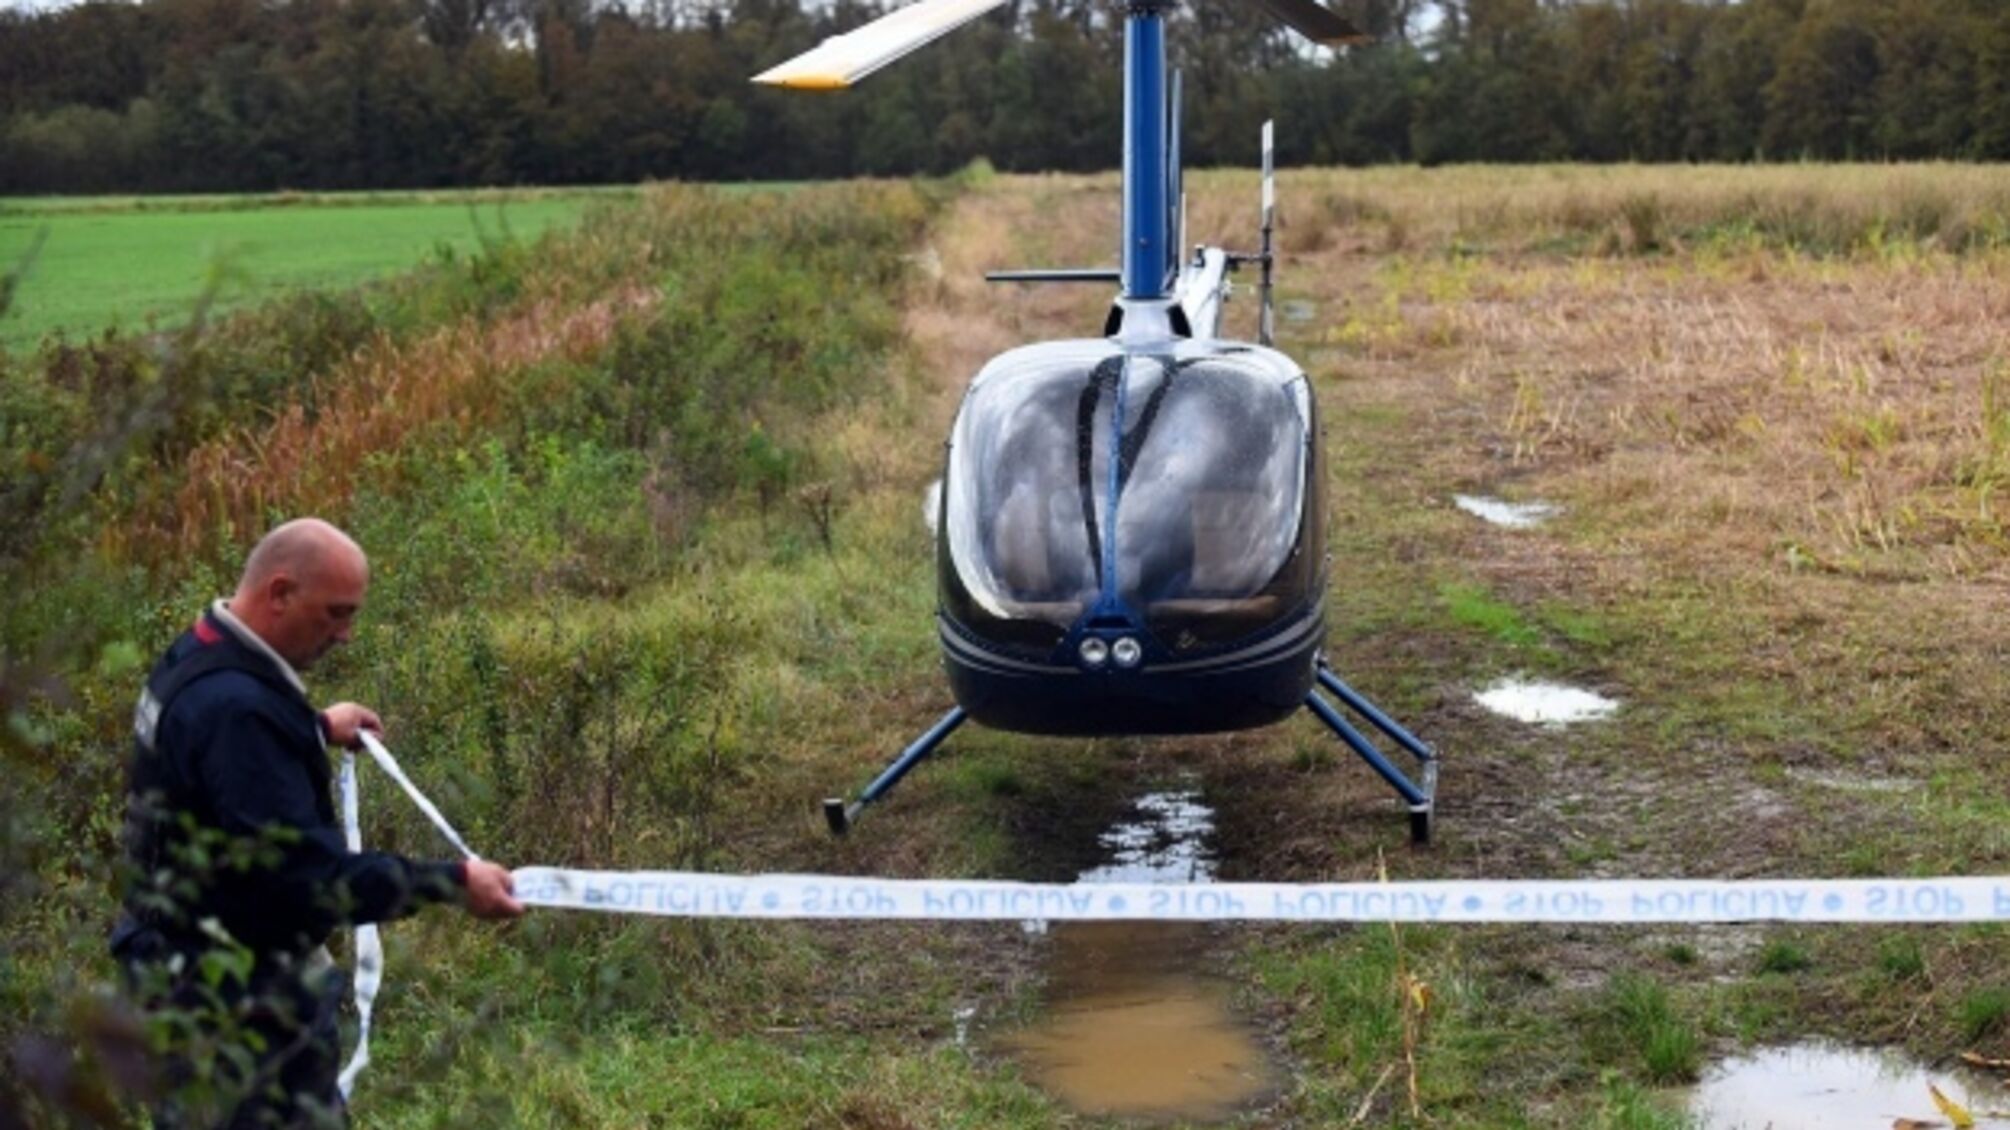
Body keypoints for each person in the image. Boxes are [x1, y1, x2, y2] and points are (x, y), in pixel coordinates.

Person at [110, 517, 523, 1128]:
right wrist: (454, 882)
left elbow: (216, 764)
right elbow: (308, 880)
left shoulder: (199, 652)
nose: (347, 634)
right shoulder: (238, 711)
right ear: (279, 593)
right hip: (230, 1008)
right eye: (335, 613)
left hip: (177, 967)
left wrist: (312, 728)